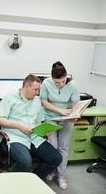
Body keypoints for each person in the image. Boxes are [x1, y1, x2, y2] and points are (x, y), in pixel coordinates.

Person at [0, 74, 62, 180]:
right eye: (35, 89)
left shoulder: (37, 100)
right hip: (16, 137)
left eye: (38, 90)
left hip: (34, 136)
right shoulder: (10, 97)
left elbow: (39, 121)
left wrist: (44, 131)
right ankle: (12, 182)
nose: (37, 92)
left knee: (56, 158)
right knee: (25, 162)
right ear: (26, 86)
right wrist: (19, 126)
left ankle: (34, 179)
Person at [40, 61, 80, 189]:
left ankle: (61, 175)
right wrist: (60, 110)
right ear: (52, 78)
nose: (60, 84)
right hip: (50, 117)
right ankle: (52, 171)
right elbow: (44, 102)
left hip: (66, 119)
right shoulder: (46, 83)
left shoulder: (72, 85)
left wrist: (74, 115)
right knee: (53, 147)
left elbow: (75, 104)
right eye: (57, 82)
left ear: (66, 76)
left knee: (63, 147)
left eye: (63, 81)